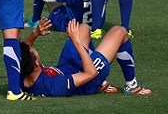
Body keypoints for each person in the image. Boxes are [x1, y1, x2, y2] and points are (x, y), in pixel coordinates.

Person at [20, 18, 152, 97]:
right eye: (33, 50)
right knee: (120, 31)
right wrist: (76, 42)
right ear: (36, 63)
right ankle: (131, 85)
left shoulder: (22, 75)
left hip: (66, 68)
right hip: (88, 79)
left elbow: (25, 49)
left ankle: (95, 64)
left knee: (83, 28)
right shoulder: (53, 86)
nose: (32, 46)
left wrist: (35, 33)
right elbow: (90, 73)